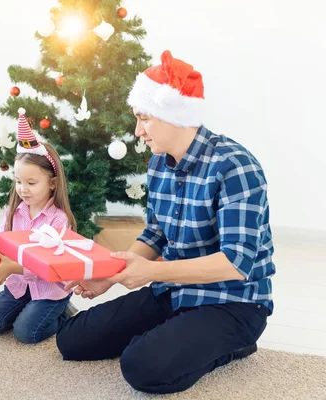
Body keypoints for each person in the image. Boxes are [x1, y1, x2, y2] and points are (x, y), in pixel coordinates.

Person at [55, 50, 275, 394]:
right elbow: (155, 234)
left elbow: (236, 262)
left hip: (234, 302)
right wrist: (110, 277)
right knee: (71, 340)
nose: (137, 131)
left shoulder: (234, 166)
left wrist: (153, 272)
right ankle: (180, 330)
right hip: (174, 290)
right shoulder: (159, 164)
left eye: (144, 119)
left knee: (141, 367)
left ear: (173, 115)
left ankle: (234, 345)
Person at [0, 108, 78, 344]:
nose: (23, 189)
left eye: (31, 183)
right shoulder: (14, 211)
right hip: (19, 285)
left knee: (26, 334)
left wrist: (14, 267)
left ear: (52, 183)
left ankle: (63, 314)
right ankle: (28, 310)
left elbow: (51, 267)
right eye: (18, 181)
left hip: (50, 290)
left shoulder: (58, 219)